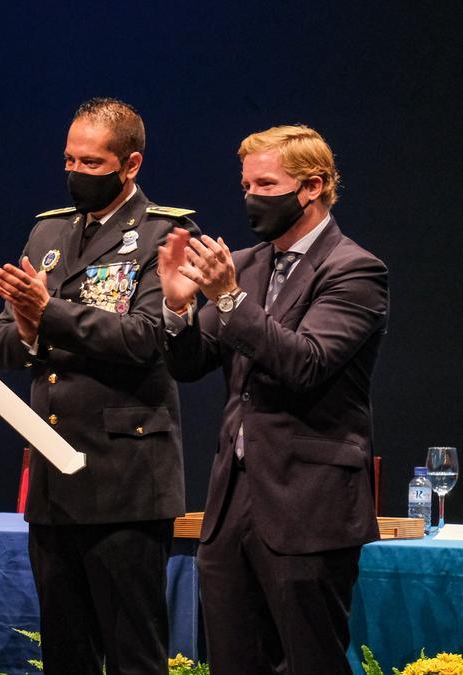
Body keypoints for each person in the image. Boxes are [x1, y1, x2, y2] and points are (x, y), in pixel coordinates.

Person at [158, 125, 387, 674]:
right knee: (235, 662)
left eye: (265, 184)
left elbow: (304, 362)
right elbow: (192, 364)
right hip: (233, 502)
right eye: (245, 185)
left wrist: (229, 298)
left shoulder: (354, 270)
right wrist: (175, 308)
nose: (251, 198)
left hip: (307, 503)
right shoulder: (249, 264)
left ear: (312, 187)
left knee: (309, 661)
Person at [0, 98, 197, 675]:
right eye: (69, 161)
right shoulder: (48, 231)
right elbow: (2, 341)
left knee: (134, 652)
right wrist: (30, 325)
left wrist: (48, 313)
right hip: (53, 473)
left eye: (92, 163)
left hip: (125, 473)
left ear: (130, 165)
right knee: (66, 651)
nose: (76, 173)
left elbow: (148, 336)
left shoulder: (165, 233)